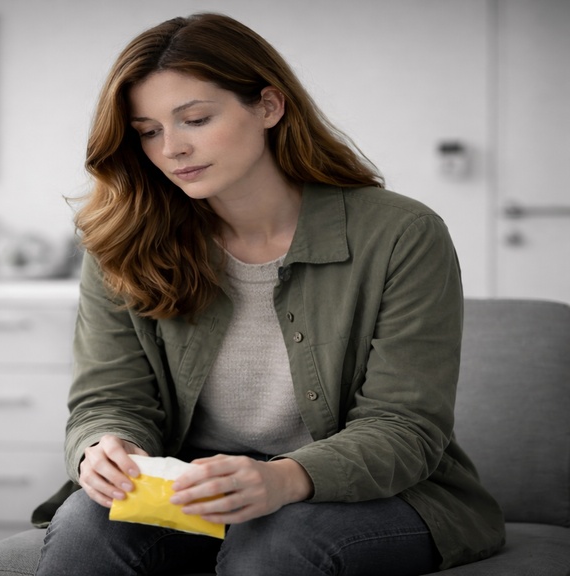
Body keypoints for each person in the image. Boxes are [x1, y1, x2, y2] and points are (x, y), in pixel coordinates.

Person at [32, 12, 504, 576]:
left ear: (269, 107)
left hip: (368, 496)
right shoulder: (123, 239)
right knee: (86, 529)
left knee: (276, 544)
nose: (172, 148)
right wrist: (106, 446)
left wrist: (282, 478)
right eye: (148, 131)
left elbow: (404, 426)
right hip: (192, 488)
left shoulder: (402, 233)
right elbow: (108, 398)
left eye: (195, 119)